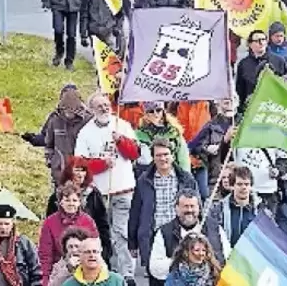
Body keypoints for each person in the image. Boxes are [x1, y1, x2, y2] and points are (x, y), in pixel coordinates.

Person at [75, 92, 140, 284]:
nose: (104, 108)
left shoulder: (122, 125)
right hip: (99, 193)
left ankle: (127, 274)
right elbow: (80, 163)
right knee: (102, 232)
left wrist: (121, 141)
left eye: (106, 104)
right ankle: (105, 271)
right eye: (99, 106)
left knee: (121, 232)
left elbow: (135, 153)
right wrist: (102, 164)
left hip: (123, 189)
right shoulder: (85, 132)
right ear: (91, 110)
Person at [129, 138, 198, 271]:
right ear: (153, 158)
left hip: (179, 234)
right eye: (158, 155)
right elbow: (135, 211)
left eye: (166, 154)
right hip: (153, 236)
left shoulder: (186, 179)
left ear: (172, 155)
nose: (163, 158)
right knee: (155, 277)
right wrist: (132, 242)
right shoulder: (144, 181)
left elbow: (197, 207)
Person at [149, 189, 230, 285]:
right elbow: (155, 268)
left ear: (199, 208)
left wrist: (205, 263)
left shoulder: (215, 229)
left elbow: (228, 259)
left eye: (192, 206)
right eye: (185, 206)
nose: (189, 210)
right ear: (177, 209)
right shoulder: (164, 232)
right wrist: (184, 261)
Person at [45, 157, 111, 265]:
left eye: (83, 170)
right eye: (77, 170)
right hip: (62, 255)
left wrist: (104, 253)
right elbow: (49, 229)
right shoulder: (56, 197)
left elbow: (103, 225)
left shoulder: (93, 194)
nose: (80, 174)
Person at [39, 182, 99, 284]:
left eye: (74, 200)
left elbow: (96, 248)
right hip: (60, 268)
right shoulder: (50, 222)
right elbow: (45, 255)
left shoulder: (88, 221)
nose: (71, 203)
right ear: (60, 202)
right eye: (67, 200)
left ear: (79, 202)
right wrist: (45, 280)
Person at [44, 84, 93, 186]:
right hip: (60, 174)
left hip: (82, 175)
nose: (68, 112)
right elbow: (49, 144)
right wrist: (51, 161)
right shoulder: (54, 119)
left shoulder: (89, 120)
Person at [210, 166, 270, 247]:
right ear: (232, 186)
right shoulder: (219, 209)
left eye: (246, 184)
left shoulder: (261, 210)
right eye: (239, 184)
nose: (244, 187)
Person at [188, 97, 234, 199]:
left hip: (239, 181)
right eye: (225, 100)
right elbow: (193, 147)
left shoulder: (242, 124)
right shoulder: (211, 125)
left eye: (233, 99)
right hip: (216, 179)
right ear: (218, 104)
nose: (229, 103)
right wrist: (207, 149)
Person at [235, 29, 287, 113]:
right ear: (250, 44)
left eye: (263, 39)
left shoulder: (279, 61)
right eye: (257, 40)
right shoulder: (243, 64)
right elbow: (240, 90)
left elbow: (286, 86)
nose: (261, 43)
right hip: (252, 108)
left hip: (275, 108)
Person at [136, 101, 191, 174]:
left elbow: (183, 158)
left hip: (171, 174)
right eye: (151, 111)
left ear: (163, 111)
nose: (155, 114)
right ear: (145, 114)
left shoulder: (173, 132)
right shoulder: (138, 134)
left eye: (158, 110)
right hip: (146, 175)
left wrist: (186, 178)